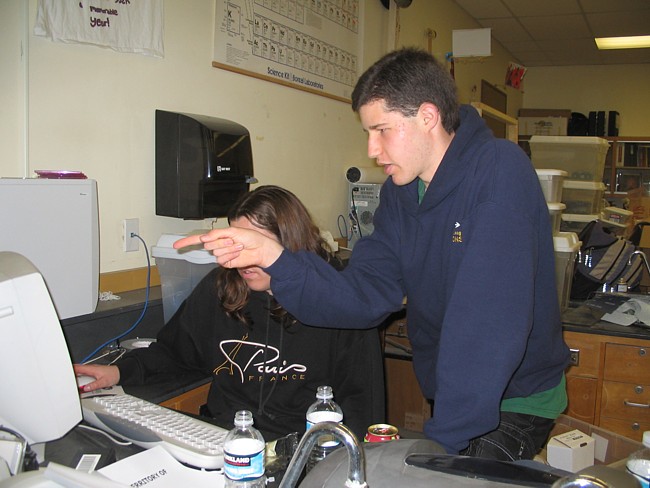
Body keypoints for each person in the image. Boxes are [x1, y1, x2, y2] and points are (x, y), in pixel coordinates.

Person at [175, 48, 571, 461]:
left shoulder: (498, 172)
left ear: (427, 117)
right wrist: (277, 260)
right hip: (460, 394)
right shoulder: (400, 194)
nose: (371, 149)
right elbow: (361, 296)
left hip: (516, 398)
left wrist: (442, 443)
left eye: (381, 130)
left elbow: (486, 327)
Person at [74, 185, 385, 440]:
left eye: (254, 245)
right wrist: (118, 372)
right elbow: (175, 352)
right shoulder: (221, 288)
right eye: (234, 245)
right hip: (226, 440)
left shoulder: (342, 301)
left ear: (289, 242)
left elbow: (362, 406)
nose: (241, 260)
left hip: (304, 448)